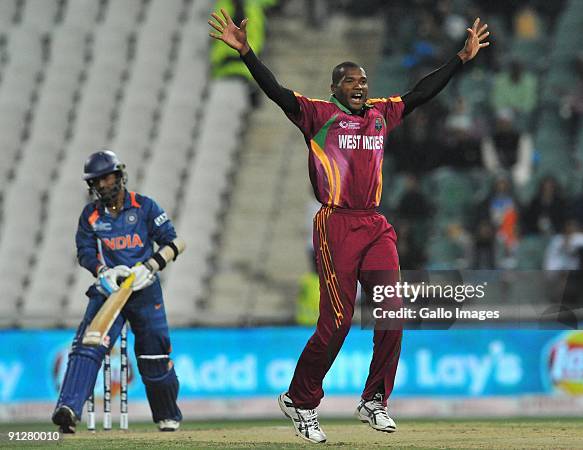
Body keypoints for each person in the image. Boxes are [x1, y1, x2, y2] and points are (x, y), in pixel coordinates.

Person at [209, 9, 489, 443]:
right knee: (336, 323)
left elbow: (419, 93)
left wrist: (459, 59)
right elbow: (277, 92)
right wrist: (246, 53)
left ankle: (374, 400)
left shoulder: (380, 114)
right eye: (351, 81)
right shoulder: (317, 115)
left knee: (392, 314)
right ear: (335, 88)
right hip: (336, 223)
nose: (361, 87)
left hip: (375, 224)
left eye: (363, 81)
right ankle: (300, 402)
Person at [52, 151, 183, 433]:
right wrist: (103, 271)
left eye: (106, 178)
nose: (102, 185)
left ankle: (167, 414)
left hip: (143, 288)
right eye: (96, 181)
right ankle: (68, 410)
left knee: (154, 359)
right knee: (88, 345)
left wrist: (149, 266)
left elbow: (174, 242)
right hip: (110, 289)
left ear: (119, 175)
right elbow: (85, 252)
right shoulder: (90, 215)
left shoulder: (144, 207)